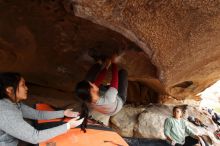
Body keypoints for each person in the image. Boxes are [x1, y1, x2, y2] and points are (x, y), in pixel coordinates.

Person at [0, 72, 84, 146]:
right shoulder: (5, 112)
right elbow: (35, 137)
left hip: (16, 139)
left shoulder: (13, 102)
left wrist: (64, 113)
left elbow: (38, 114)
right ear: (10, 90)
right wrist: (68, 126)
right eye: (22, 85)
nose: (26, 88)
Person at [75, 55, 128, 132]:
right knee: (122, 73)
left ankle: (99, 63)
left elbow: (98, 82)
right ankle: (108, 83)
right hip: (118, 100)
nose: (93, 84)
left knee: (88, 80)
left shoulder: (88, 98)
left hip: (105, 100)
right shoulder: (108, 99)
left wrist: (106, 67)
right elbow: (115, 80)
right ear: (91, 90)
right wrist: (113, 63)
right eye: (91, 84)